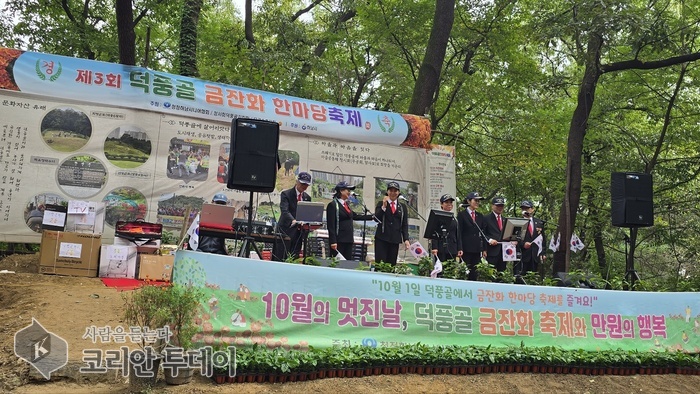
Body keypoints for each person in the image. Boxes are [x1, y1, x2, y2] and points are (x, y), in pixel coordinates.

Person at [326, 181, 373, 260]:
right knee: (338, 262)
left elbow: (354, 216)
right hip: (339, 240)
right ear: (341, 191)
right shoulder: (333, 205)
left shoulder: (346, 205)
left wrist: (371, 217)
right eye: (348, 190)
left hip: (348, 239)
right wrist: (333, 241)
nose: (349, 192)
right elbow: (331, 225)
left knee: (347, 262)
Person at [274, 171, 312, 261]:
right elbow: (284, 210)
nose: (304, 187)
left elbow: (307, 213)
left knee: (294, 256)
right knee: (281, 255)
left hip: (298, 233)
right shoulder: (286, 194)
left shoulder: (307, 198)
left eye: (306, 185)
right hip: (285, 230)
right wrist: (293, 220)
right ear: (297, 181)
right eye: (302, 184)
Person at [374, 181, 411, 265]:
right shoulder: (381, 204)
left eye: (395, 191)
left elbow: (404, 224)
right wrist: (384, 207)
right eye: (391, 191)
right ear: (387, 192)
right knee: (380, 264)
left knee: (391, 264)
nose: (393, 193)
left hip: (394, 239)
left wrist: (406, 239)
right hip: (382, 238)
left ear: (398, 192)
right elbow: (376, 218)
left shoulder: (402, 207)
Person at [457, 192, 486, 280]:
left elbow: (484, 233)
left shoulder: (480, 216)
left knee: (475, 272)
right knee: (465, 271)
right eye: (475, 200)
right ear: (469, 201)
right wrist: (459, 248)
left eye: (478, 201)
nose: (477, 202)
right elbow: (459, 232)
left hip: (477, 249)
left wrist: (484, 249)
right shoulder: (462, 215)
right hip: (465, 248)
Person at [429, 194, 462, 263]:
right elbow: (434, 233)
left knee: (451, 268)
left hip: (452, 248)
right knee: (441, 268)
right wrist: (434, 247)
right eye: (447, 202)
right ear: (441, 204)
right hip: (441, 248)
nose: (449, 204)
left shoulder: (455, 218)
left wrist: (459, 248)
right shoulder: (438, 216)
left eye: (450, 202)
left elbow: (458, 234)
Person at [517, 200, 546, 276]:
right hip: (522, 255)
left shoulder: (539, 222)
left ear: (532, 209)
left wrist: (543, 253)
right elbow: (514, 238)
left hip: (535, 255)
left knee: (533, 277)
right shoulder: (518, 222)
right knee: (521, 277)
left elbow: (542, 239)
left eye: (527, 208)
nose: (525, 210)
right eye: (523, 209)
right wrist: (523, 244)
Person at [482, 196, 511, 272]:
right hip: (491, 251)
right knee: (491, 273)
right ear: (492, 206)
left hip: (504, 252)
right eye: (497, 205)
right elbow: (482, 234)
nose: (500, 208)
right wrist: (489, 241)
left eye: (501, 206)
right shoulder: (486, 218)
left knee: (501, 274)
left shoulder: (505, 220)